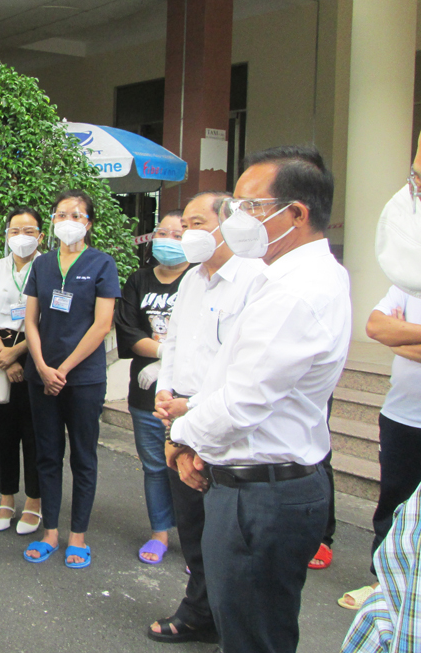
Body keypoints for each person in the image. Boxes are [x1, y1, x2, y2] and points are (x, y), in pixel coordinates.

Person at [160, 146, 350, 653]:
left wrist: (181, 438)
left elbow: (242, 402)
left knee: (253, 636)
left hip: (261, 495)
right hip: (257, 483)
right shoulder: (286, 276)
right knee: (253, 626)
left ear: (297, 214)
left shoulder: (296, 291)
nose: (237, 219)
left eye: (251, 206)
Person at [144, 191, 264, 644]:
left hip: (222, 417)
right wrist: (165, 393)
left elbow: (245, 367)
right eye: (184, 225)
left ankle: (220, 613)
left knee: (226, 532)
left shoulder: (256, 279)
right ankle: (203, 609)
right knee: (192, 521)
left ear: (226, 224)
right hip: (179, 411)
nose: (188, 235)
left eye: (196, 224)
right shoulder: (194, 279)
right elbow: (173, 343)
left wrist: (189, 409)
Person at [342, 137, 421, 651]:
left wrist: (407, 336)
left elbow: (394, 332)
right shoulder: (408, 265)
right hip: (403, 413)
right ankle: (382, 582)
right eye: (415, 175)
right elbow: (375, 326)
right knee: (393, 505)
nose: (413, 188)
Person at [22, 189, 120, 569]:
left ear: (89, 223)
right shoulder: (42, 264)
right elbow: (31, 320)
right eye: (61, 214)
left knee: (83, 456)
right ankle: (50, 532)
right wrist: (44, 366)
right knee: (47, 455)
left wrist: (63, 369)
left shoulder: (101, 263)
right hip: (41, 375)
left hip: (83, 379)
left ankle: (77, 536)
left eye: (77, 215)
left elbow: (102, 325)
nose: (68, 220)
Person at [115, 210, 190, 565]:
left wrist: (171, 362)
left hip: (189, 396)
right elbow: (129, 333)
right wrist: (165, 351)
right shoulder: (138, 280)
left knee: (192, 465)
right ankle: (160, 532)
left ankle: (197, 541)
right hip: (146, 393)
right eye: (163, 232)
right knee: (155, 466)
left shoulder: (200, 279)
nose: (168, 240)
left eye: (178, 235)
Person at [0, 207, 43, 535]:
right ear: (6, 234)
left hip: (35, 355)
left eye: (29, 231)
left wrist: (18, 354)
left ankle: (34, 501)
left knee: (34, 434)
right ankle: (7, 498)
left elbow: (48, 319)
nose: (22, 237)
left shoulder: (48, 268)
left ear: (41, 236)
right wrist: (1, 354)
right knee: (4, 434)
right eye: (15, 230)